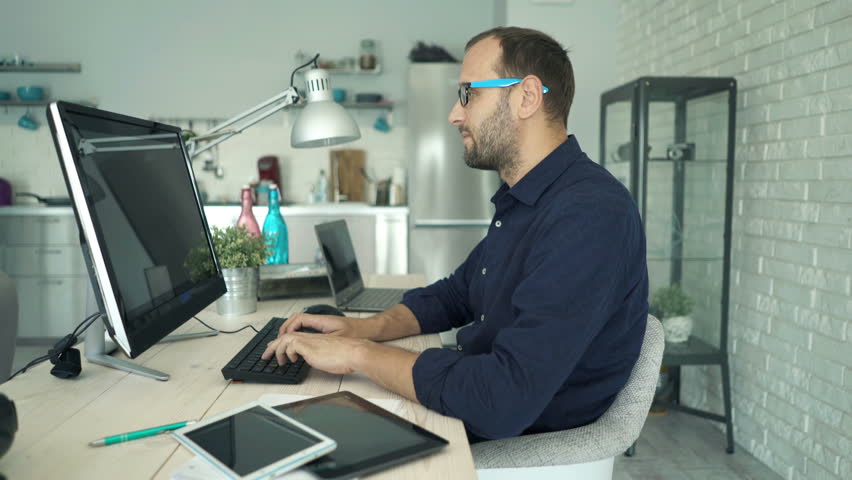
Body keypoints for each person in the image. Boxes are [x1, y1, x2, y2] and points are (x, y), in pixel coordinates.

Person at [263, 26, 648, 442]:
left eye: (469, 93)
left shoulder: (588, 214)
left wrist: (359, 355)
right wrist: (361, 331)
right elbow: (457, 294)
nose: (454, 113)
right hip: (475, 406)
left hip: (513, 441)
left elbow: (501, 400)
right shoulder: (527, 200)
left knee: (293, 437)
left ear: (528, 97)